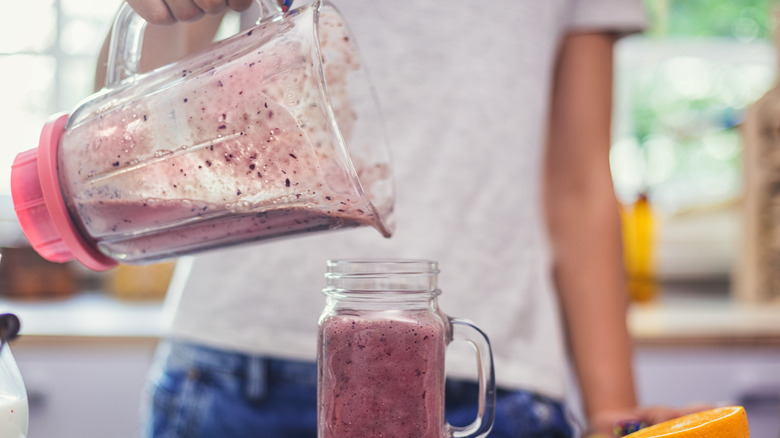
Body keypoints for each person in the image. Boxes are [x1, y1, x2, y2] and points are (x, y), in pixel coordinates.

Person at [93, 1, 706, 436]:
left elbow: (577, 185)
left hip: (487, 385)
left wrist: (615, 413)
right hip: (238, 371)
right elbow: (127, 130)